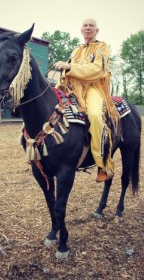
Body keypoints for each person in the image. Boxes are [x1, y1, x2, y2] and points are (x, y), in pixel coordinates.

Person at [55, 18, 119, 182]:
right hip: (73, 88)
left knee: (96, 116)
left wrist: (70, 67)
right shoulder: (76, 50)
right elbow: (67, 71)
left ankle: (104, 164)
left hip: (93, 88)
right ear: (81, 30)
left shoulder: (102, 47)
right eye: (85, 25)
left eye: (91, 26)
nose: (88, 28)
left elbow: (98, 69)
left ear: (97, 30)